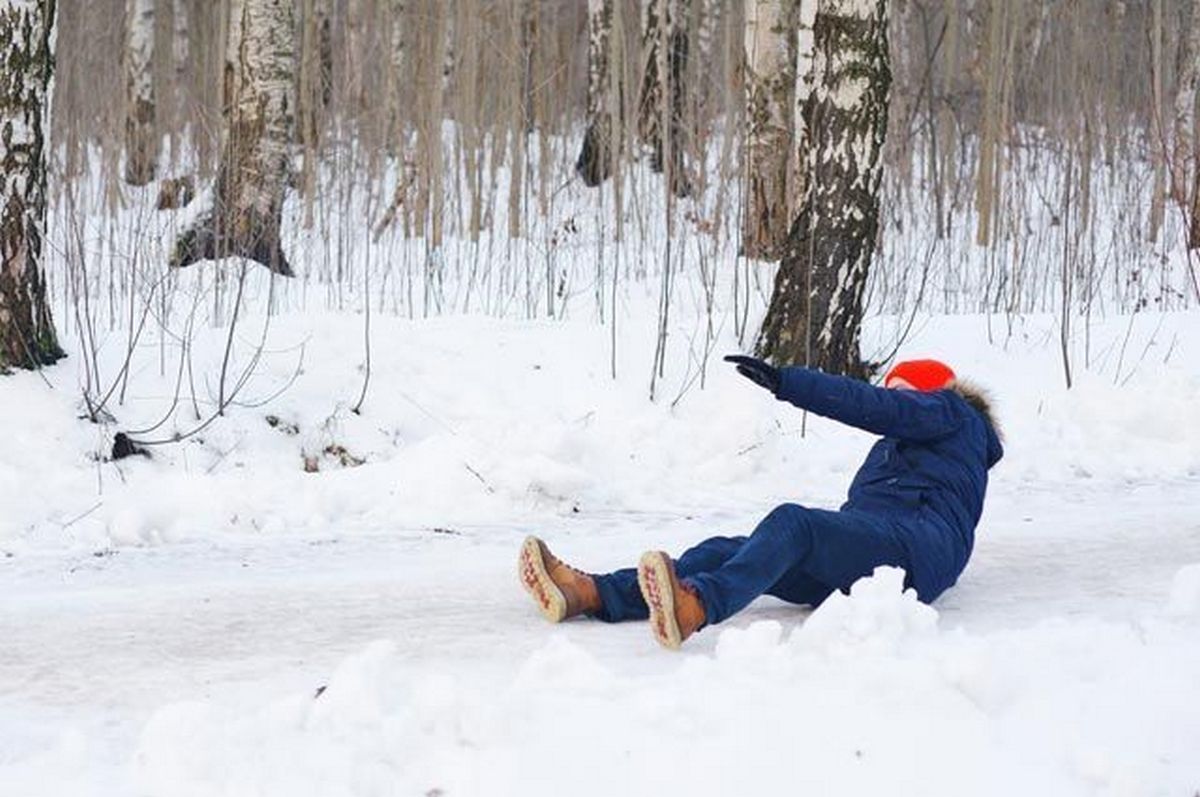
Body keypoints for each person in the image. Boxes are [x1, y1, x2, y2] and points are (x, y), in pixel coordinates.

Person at [518, 356, 1003, 650]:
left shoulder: (954, 414)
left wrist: (791, 384)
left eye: (901, 396)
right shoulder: (895, 450)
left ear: (926, 395)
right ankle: (593, 593)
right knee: (726, 548)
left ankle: (698, 606)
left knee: (795, 525)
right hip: (876, 560)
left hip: (916, 552)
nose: (895, 406)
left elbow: (881, 408)